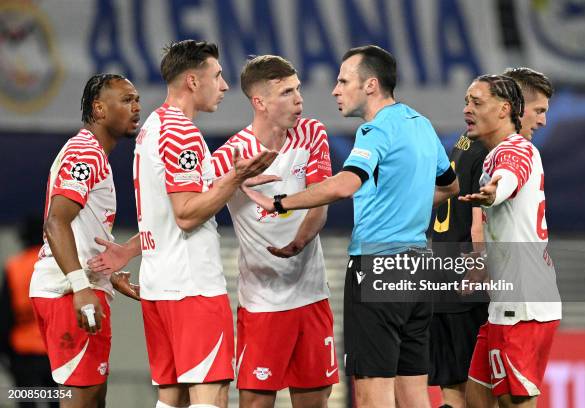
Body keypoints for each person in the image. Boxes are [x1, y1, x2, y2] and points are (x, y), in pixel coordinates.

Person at [242, 45, 459, 408]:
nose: (335, 90)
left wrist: (279, 202)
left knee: (374, 392)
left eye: (343, 81)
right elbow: (451, 186)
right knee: (414, 395)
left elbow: (345, 184)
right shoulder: (420, 124)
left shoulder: (374, 131)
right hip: (419, 268)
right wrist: (407, 202)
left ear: (371, 85)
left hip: (378, 267)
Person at [87, 40, 277, 408]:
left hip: (161, 286)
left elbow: (164, 210)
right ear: (192, 81)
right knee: (211, 395)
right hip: (192, 287)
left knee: (172, 397)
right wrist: (234, 181)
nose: (224, 86)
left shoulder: (153, 127)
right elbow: (186, 214)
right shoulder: (183, 133)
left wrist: (130, 248)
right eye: (217, 76)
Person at [210, 55, 338, 408]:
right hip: (262, 305)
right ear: (260, 102)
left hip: (312, 297)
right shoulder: (228, 158)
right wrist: (233, 180)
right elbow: (187, 210)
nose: (299, 99)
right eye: (286, 92)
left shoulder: (311, 133)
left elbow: (320, 201)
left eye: (297, 89)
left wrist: (299, 241)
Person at [28, 73, 141, 407]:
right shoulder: (85, 153)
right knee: (81, 400)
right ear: (99, 109)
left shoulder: (92, 153)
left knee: (93, 399)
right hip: (68, 294)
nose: (136, 107)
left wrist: (103, 276)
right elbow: (55, 222)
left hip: (76, 289)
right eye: (126, 99)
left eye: (136, 99)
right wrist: (80, 286)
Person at [458, 74, 560, 408]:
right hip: (505, 301)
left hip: (523, 305)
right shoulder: (493, 154)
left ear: (505, 109)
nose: (467, 110)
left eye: (476, 103)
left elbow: (508, 175)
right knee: (477, 396)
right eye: (467, 102)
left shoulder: (515, 150)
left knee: (513, 402)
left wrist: (492, 192)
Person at [428, 127, 489, 408]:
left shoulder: (461, 144)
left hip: (441, 280)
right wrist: (479, 268)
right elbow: (478, 226)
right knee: (481, 390)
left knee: (452, 388)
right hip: (469, 283)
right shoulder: (488, 151)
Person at [0, 215, 58, 408]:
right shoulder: (56, 264)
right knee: (56, 401)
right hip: (54, 350)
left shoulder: (14, 266)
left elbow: (6, 314)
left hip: (22, 353)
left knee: (26, 402)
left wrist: (4, 350)